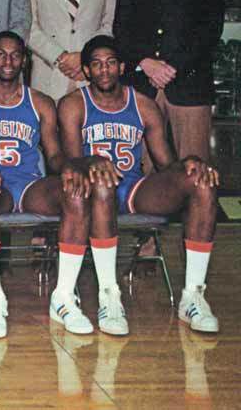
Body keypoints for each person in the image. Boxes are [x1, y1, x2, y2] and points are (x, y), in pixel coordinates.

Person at [57, 36, 220, 335]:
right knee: (102, 184)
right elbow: (70, 161)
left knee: (201, 182)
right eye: (96, 64)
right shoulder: (72, 104)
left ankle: (193, 296)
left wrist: (190, 164)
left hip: (132, 189)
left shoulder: (143, 105)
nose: (104, 70)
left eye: (110, 63)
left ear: (122, 67)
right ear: (86, 71)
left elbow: (165, 163)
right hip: (91, 191)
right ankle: (109, 295)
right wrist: (91, 161)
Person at [0, 31, 108, 337]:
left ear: (24, 60)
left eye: (15, 55)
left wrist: (67, 170)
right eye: (1, 54)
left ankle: (63, 297)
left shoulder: (40, 102)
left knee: (75, 192)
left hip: (29, 185)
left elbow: (52, 155)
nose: (8, 61)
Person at [114, 0, 223, 164]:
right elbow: (121, 25)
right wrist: (145, 62)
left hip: (189, 84)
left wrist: (171, 66)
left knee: (194, 170)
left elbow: (211, 28)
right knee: (145, 170)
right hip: (142, 84)